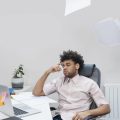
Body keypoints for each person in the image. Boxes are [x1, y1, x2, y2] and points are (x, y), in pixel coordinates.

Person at [32, 50, 110, 120]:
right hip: (58, 116)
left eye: (68, 65)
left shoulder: (89, 83)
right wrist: (47, 72)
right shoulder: (59, 81)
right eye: (63, 65)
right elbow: (37, 92)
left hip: (75, 118)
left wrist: (87, 113)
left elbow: (106, 108)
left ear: (77, 66)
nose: (64, 68)